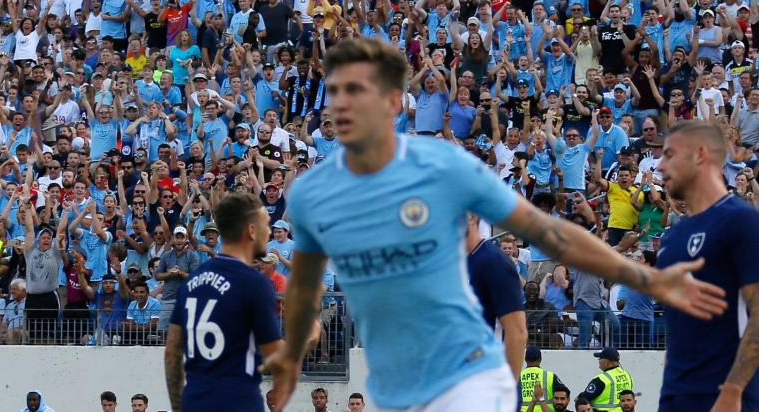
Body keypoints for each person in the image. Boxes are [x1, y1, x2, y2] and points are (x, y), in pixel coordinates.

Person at [263, 38, 726, 411]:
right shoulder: (312, 191)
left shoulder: (444, 168)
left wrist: (643, 276)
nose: (342, 104)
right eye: (337, 90)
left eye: (357, 91)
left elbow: (552, 234)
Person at [656, 121, 759, 411]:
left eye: (670, 155)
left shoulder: (741, 220)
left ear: (700, 154)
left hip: (724, 396)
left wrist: (733, 390)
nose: (661, 166)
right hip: (675, 395)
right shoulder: (674, 236)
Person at [163, 193, 283, 411]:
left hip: (195, 403)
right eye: (266, 224)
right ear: (251, 230)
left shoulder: (192, 282)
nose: (270, 232)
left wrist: (179, 407)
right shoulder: (255, 283)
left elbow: (172, 353)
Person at [465, 214, 527, 378]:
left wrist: (506, 388)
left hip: (484, 377)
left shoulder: (493, 262)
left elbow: (518, 332)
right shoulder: (446, 262)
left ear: (471, 217)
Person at [577, 347, 634, 411]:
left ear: (606, 362)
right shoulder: (627, 375)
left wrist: (578, 397)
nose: (599, 361)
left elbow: (584, 398)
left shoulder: (602, 379)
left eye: (600, 358)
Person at [520, 346, 564, 412]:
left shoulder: (517, 377)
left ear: (525, 359)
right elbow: (563, 394)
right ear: (540, 359)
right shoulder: (550, 376)